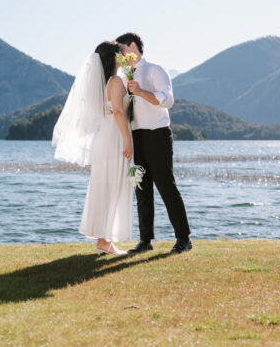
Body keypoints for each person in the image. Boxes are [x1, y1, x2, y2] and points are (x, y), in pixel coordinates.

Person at [52, 41, 133, 255]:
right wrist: (127, 140)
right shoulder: (115, 82)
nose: (125, 56)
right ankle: (104, 241)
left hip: (104, 137)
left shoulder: (106, 83)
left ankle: (103, 241)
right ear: (115, 58)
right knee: (112, 187)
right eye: (121, 53)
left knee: (105, 187)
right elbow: (117, 111)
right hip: (114, 136)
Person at [116, 32, 192, 254]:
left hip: (157, 134)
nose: (120, 55)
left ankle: (184, 238)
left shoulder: (155, 69)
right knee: (141, 187)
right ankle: (145, 240)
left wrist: (140, 91)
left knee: (166, 186)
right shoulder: (123, 76)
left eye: (121, 49)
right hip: (136, 136)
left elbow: (168, 100)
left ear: (132, 46)